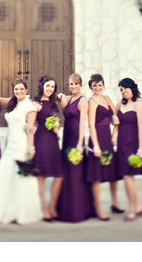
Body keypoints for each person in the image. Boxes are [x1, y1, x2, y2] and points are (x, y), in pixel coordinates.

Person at [0, 80, 43, 224]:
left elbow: (30, 129)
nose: (18, 92)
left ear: (26, 90)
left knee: (19, 176)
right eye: (16, 89)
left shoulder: (29, 106)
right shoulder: (13, 103)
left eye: (21, 89)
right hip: (10, 143)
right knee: (4, 173)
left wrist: (31, 147)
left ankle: (19, 210)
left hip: (22, 143)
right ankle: (2, 207)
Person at [55, 73, 94, 222]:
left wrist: (80, 143)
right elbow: (56, 99)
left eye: (76, 84)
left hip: (76, 138)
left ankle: (78, 210)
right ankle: (65, 207)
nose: (73, 87)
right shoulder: (69, 98)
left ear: (81, 85)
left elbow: (82, 122)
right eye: (71, 84)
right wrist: (60, 94)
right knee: (67, 171)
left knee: (75, 173)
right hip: (66, 137)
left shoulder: (83, 100)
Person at [85, 74, 120, 220]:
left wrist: (115, 135)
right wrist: (96, 146)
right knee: (97, 174)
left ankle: (115, 203)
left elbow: (116, 117)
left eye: (100, 85)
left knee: (113, 174)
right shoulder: (91, 101)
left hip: (108, 136)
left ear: (103, 85)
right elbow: (91, 124)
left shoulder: (107, 99)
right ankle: (98, 207)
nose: (98, 88)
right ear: (91, 87)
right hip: (97, 137)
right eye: (95, 86)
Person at [114, 78, 142, 223]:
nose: (123, 92)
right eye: (121, 90)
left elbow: (141, 128)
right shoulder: (120, 104)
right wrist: (114, 134)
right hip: (122, 142)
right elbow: (115, 120)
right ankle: (138, 206)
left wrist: (141, 149)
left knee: (128, 176)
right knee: (129, 177)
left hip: (133, 142)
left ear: (132, 88)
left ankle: (131, 208)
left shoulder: (139, 104)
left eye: (125, 89)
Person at [32, 75, 64, 221]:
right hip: (41, 139)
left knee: (59, 175)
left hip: (53, 140)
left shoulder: (53, 104)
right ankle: (43, 208)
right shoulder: (36, 103)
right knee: (41, 176)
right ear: (42, 87)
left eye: (52, 87)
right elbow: (30, 124)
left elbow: (58, 121)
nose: (50, 89)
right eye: (48, 86)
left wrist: (57, 126)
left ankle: (52, 206)